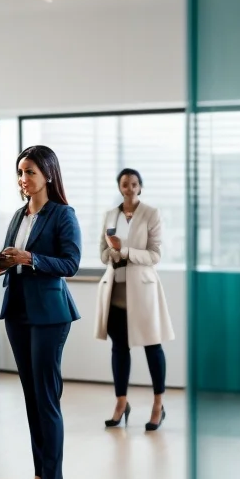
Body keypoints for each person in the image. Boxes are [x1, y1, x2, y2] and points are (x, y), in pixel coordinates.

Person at [0, 145, 81, 479]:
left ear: (48, 176)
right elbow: (12, 262)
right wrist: (1, 265)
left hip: (50, 314)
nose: (23, 179)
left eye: (30, 173)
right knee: (30, 398)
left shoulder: (62, 215)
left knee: (46, 399)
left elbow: (70, 263)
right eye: (20, 172)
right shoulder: (19, 216)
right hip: (18, 311)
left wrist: (30, 258)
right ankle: (41, 478)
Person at [95, 168, 174, 432]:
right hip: (115, 292)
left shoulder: (151, 213)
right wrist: (113, 253)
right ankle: (121, 404)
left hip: (143, 292)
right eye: (125, 184)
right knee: (119, 349)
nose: (129, 188)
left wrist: (125, 251)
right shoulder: (110, 215)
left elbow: (154, 255)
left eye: (134, 184)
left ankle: (157, 405)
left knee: (153, 347)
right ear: (119, 187)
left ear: (140, 187)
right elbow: (103, 254)